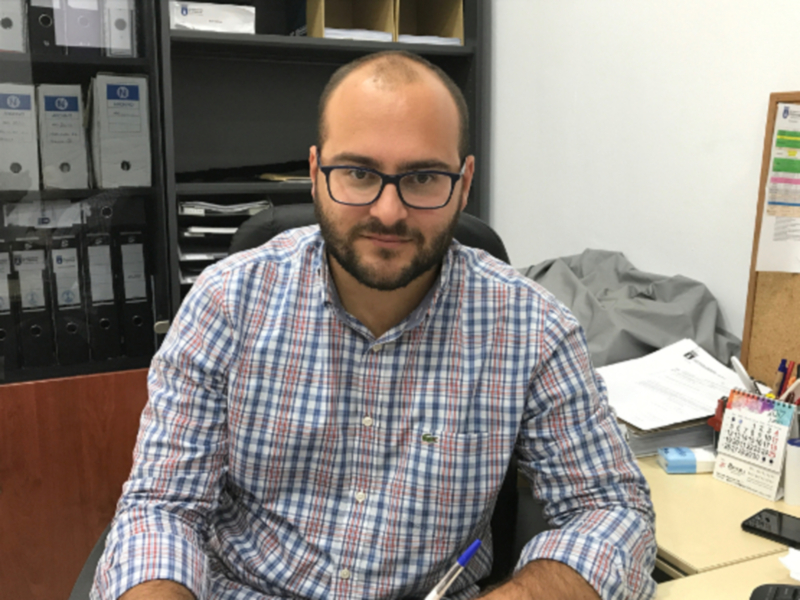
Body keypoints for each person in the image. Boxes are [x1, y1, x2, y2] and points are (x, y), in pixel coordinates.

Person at [91, 50, 656, 600]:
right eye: (359, 173)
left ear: (463, 182)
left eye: (423, 177)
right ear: (315, 173)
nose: (388, 212)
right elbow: (163, 509)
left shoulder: (532, 328)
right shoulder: (227, 303)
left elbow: (610, 510)